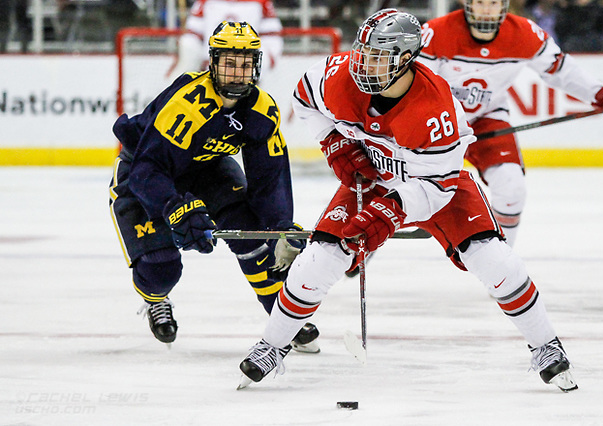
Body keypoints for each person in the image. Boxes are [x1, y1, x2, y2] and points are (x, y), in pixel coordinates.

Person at [237, 9, 578, 392]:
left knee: (495, 260)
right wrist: (332, 141)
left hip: (437, 188)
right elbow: (304, 96)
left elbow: (440, 185)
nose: (364, 63)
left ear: (404, 59)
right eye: (363, 51)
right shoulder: (338, 74)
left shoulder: (435, 108)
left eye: (378, 56)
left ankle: (546, 344)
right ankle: (272, 345)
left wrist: (392, 210)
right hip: (373, 177)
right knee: (318, 261)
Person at [109, 21, 318, 353]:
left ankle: (283, 319)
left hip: (208, 169)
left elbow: (269, 178)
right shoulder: (187, 103)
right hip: (145, 174)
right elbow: (150, 168)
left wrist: (278, 226)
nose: (237, 74)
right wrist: (174, 208)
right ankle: (156, 299)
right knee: (161, 269)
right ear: (213, 63)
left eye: (245, 64)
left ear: (256, 66)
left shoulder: (261, 110)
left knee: (250, 231)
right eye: (229, 63)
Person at [418, 0, 603, 246]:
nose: (487, 9)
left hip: (486, 118)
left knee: (511, 186)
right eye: (480, 2)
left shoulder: (524, 33)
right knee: (392, 189)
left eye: (493, 2)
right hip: (435, 122)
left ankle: (502, 258)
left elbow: (563, 71)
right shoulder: (436, 32)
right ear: (466, 4)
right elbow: (418, 88)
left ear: (504, 5)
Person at [168, 0, 283, 81]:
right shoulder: (205, 2)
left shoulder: (261, 2)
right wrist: (189, 53)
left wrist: (259, 65)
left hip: (246, 73)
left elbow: (272, 37)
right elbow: (193, 34)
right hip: (210, 71)